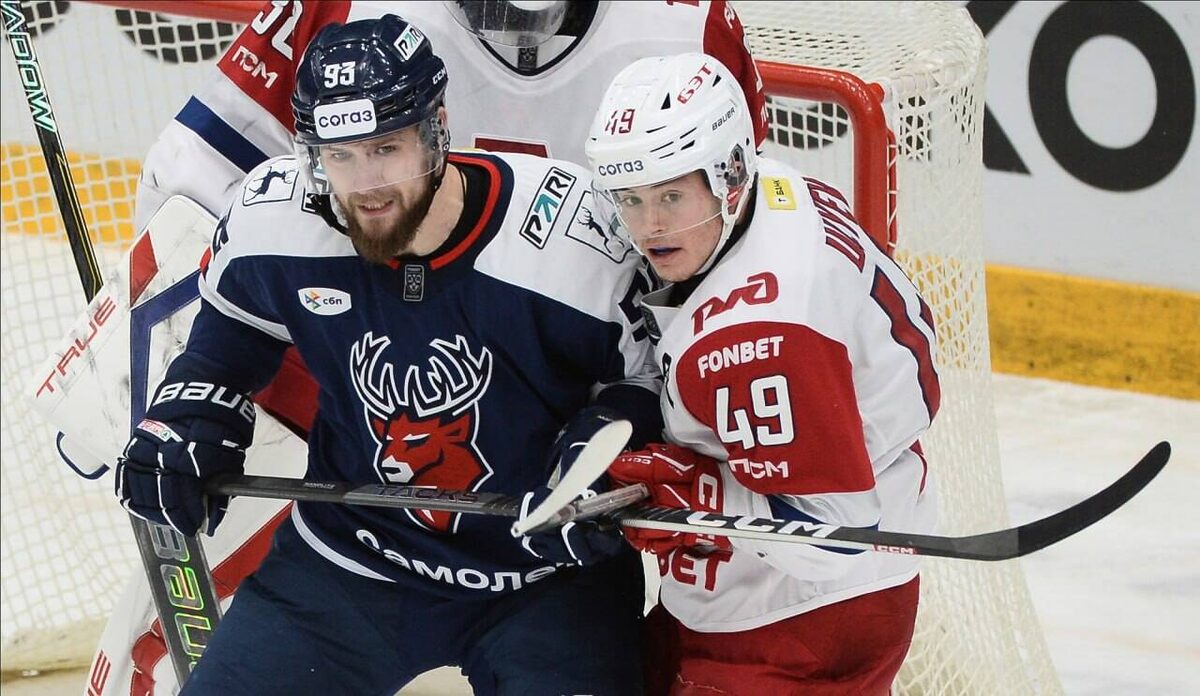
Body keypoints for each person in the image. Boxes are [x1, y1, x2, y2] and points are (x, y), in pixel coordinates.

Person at [87, 3, 767, 692]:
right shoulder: (276, 219)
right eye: (340, 156)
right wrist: (195, 405)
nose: (366, 185)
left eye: (386, 148)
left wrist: (600, 458)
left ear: (437, 130)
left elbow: (646, 380)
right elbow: (233, 329)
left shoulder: (572, 239)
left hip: (545, 579)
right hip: (349, 562)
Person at [585, 53, 940, 695]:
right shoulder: (773, 187)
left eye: (671, 196)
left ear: (728, 174)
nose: (649, 226)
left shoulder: (757, 341)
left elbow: (833, 533)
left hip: (799, 618)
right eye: (631, 199)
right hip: (773, 585)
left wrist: (699, 495)